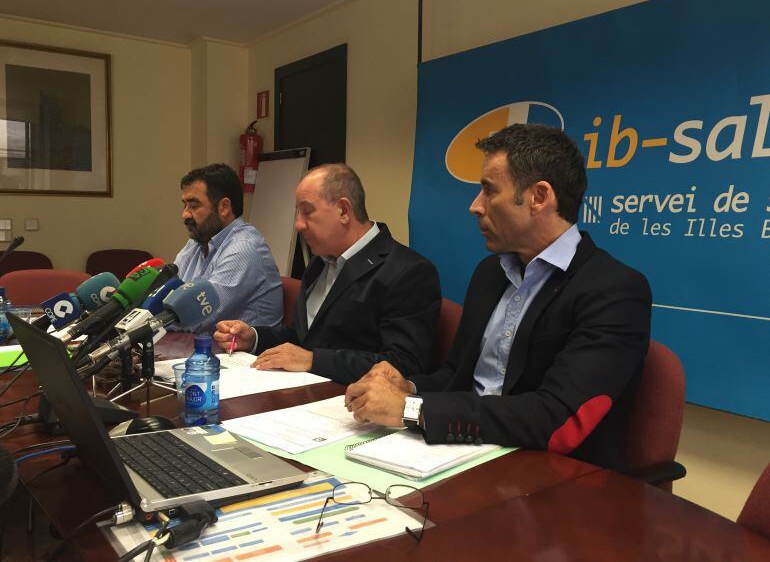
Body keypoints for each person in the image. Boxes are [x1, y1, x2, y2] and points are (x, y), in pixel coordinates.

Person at [344, 124, 652, 471]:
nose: (475, 206)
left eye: (489, 191)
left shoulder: (613, 290)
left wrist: (413, 409)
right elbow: (457, 376)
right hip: (461, 453)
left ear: (539, 197)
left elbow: (555, 418)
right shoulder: (491, 273)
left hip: (548, 473)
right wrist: (408, 386)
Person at [214, 163, 441, 385]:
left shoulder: (408, 272)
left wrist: (313, 360)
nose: (298, 224)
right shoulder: (321, 262)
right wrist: (254, 338)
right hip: (304, 391)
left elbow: (403, 364)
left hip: (353, 401)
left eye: (307, 212)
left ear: (343, 210)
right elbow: (302, 337)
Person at [174, 163, 282, 333]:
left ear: (224, 207)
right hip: (202, 345)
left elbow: (196, 319)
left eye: (194, 206)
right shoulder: (197, 243)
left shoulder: (244, 248)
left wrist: (148, 320)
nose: (185, 214)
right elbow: (169, 291)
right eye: (184, 205)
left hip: (245, 350)